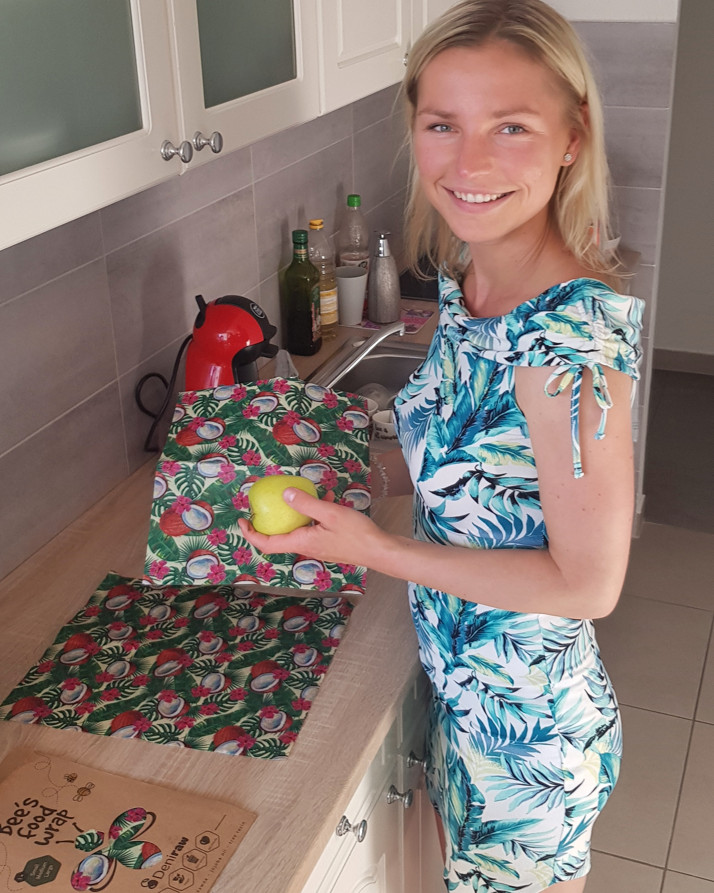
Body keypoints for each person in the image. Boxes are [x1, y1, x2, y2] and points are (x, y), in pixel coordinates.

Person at [239, 1, 644, 889]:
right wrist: (341, 473)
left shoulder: (568, 343)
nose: (468, 163)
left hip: (527, 746)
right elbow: (460, 460)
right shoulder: (473, 280)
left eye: (511, 126)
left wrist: (376, 549)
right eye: (442, 124)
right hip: (465, 701)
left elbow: (589, 583)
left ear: (573, 138)